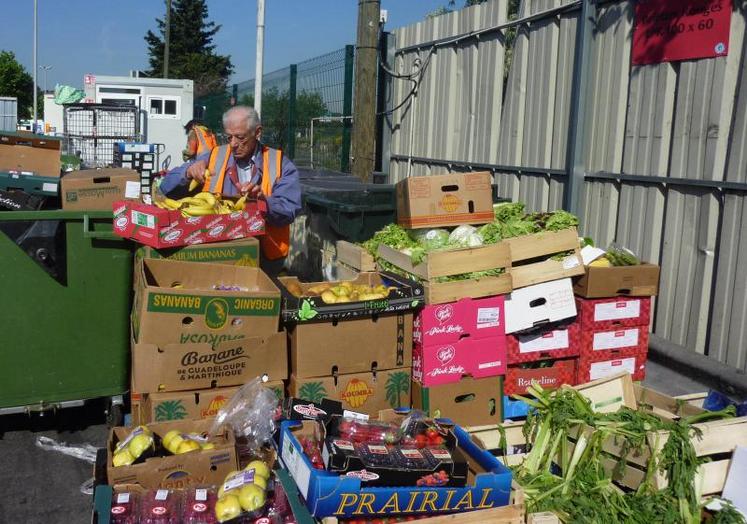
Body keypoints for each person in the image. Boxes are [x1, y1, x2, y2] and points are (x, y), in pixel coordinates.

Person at [161, 106, 302, 277]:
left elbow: (289, 209)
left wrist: (263, 201)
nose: (233, 144)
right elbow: (166, 186)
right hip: (217, 252)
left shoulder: (280, 164)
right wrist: (188, 171)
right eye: (229, 137)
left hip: (264, 258)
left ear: (257, 132)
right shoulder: (214, 156)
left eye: (240, 137)